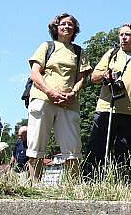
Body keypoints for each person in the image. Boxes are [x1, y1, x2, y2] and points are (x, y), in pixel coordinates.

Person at [85, 23, 131, 179]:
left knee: (128, 152)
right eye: (121, 35)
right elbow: (94, 77)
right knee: (98, 147)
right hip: (108, 108)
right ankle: (90, 180)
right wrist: (106, 75)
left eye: (127, 35)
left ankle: (124, 182)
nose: (123, 38)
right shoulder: (112, 54)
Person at [25, 13, 91, 181]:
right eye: (63, 24)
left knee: (73, 147)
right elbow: (35, 73)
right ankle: (34, 184)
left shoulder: (78, 51)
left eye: (70, 24)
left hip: (68, 103)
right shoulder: (47, 46)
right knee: (36, 144)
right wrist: (50, 92)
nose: (67, 27)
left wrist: (73, 93)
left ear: (75, 29)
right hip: (43, 99)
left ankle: (73, 186)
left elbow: (82, 78)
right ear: (56, 27)